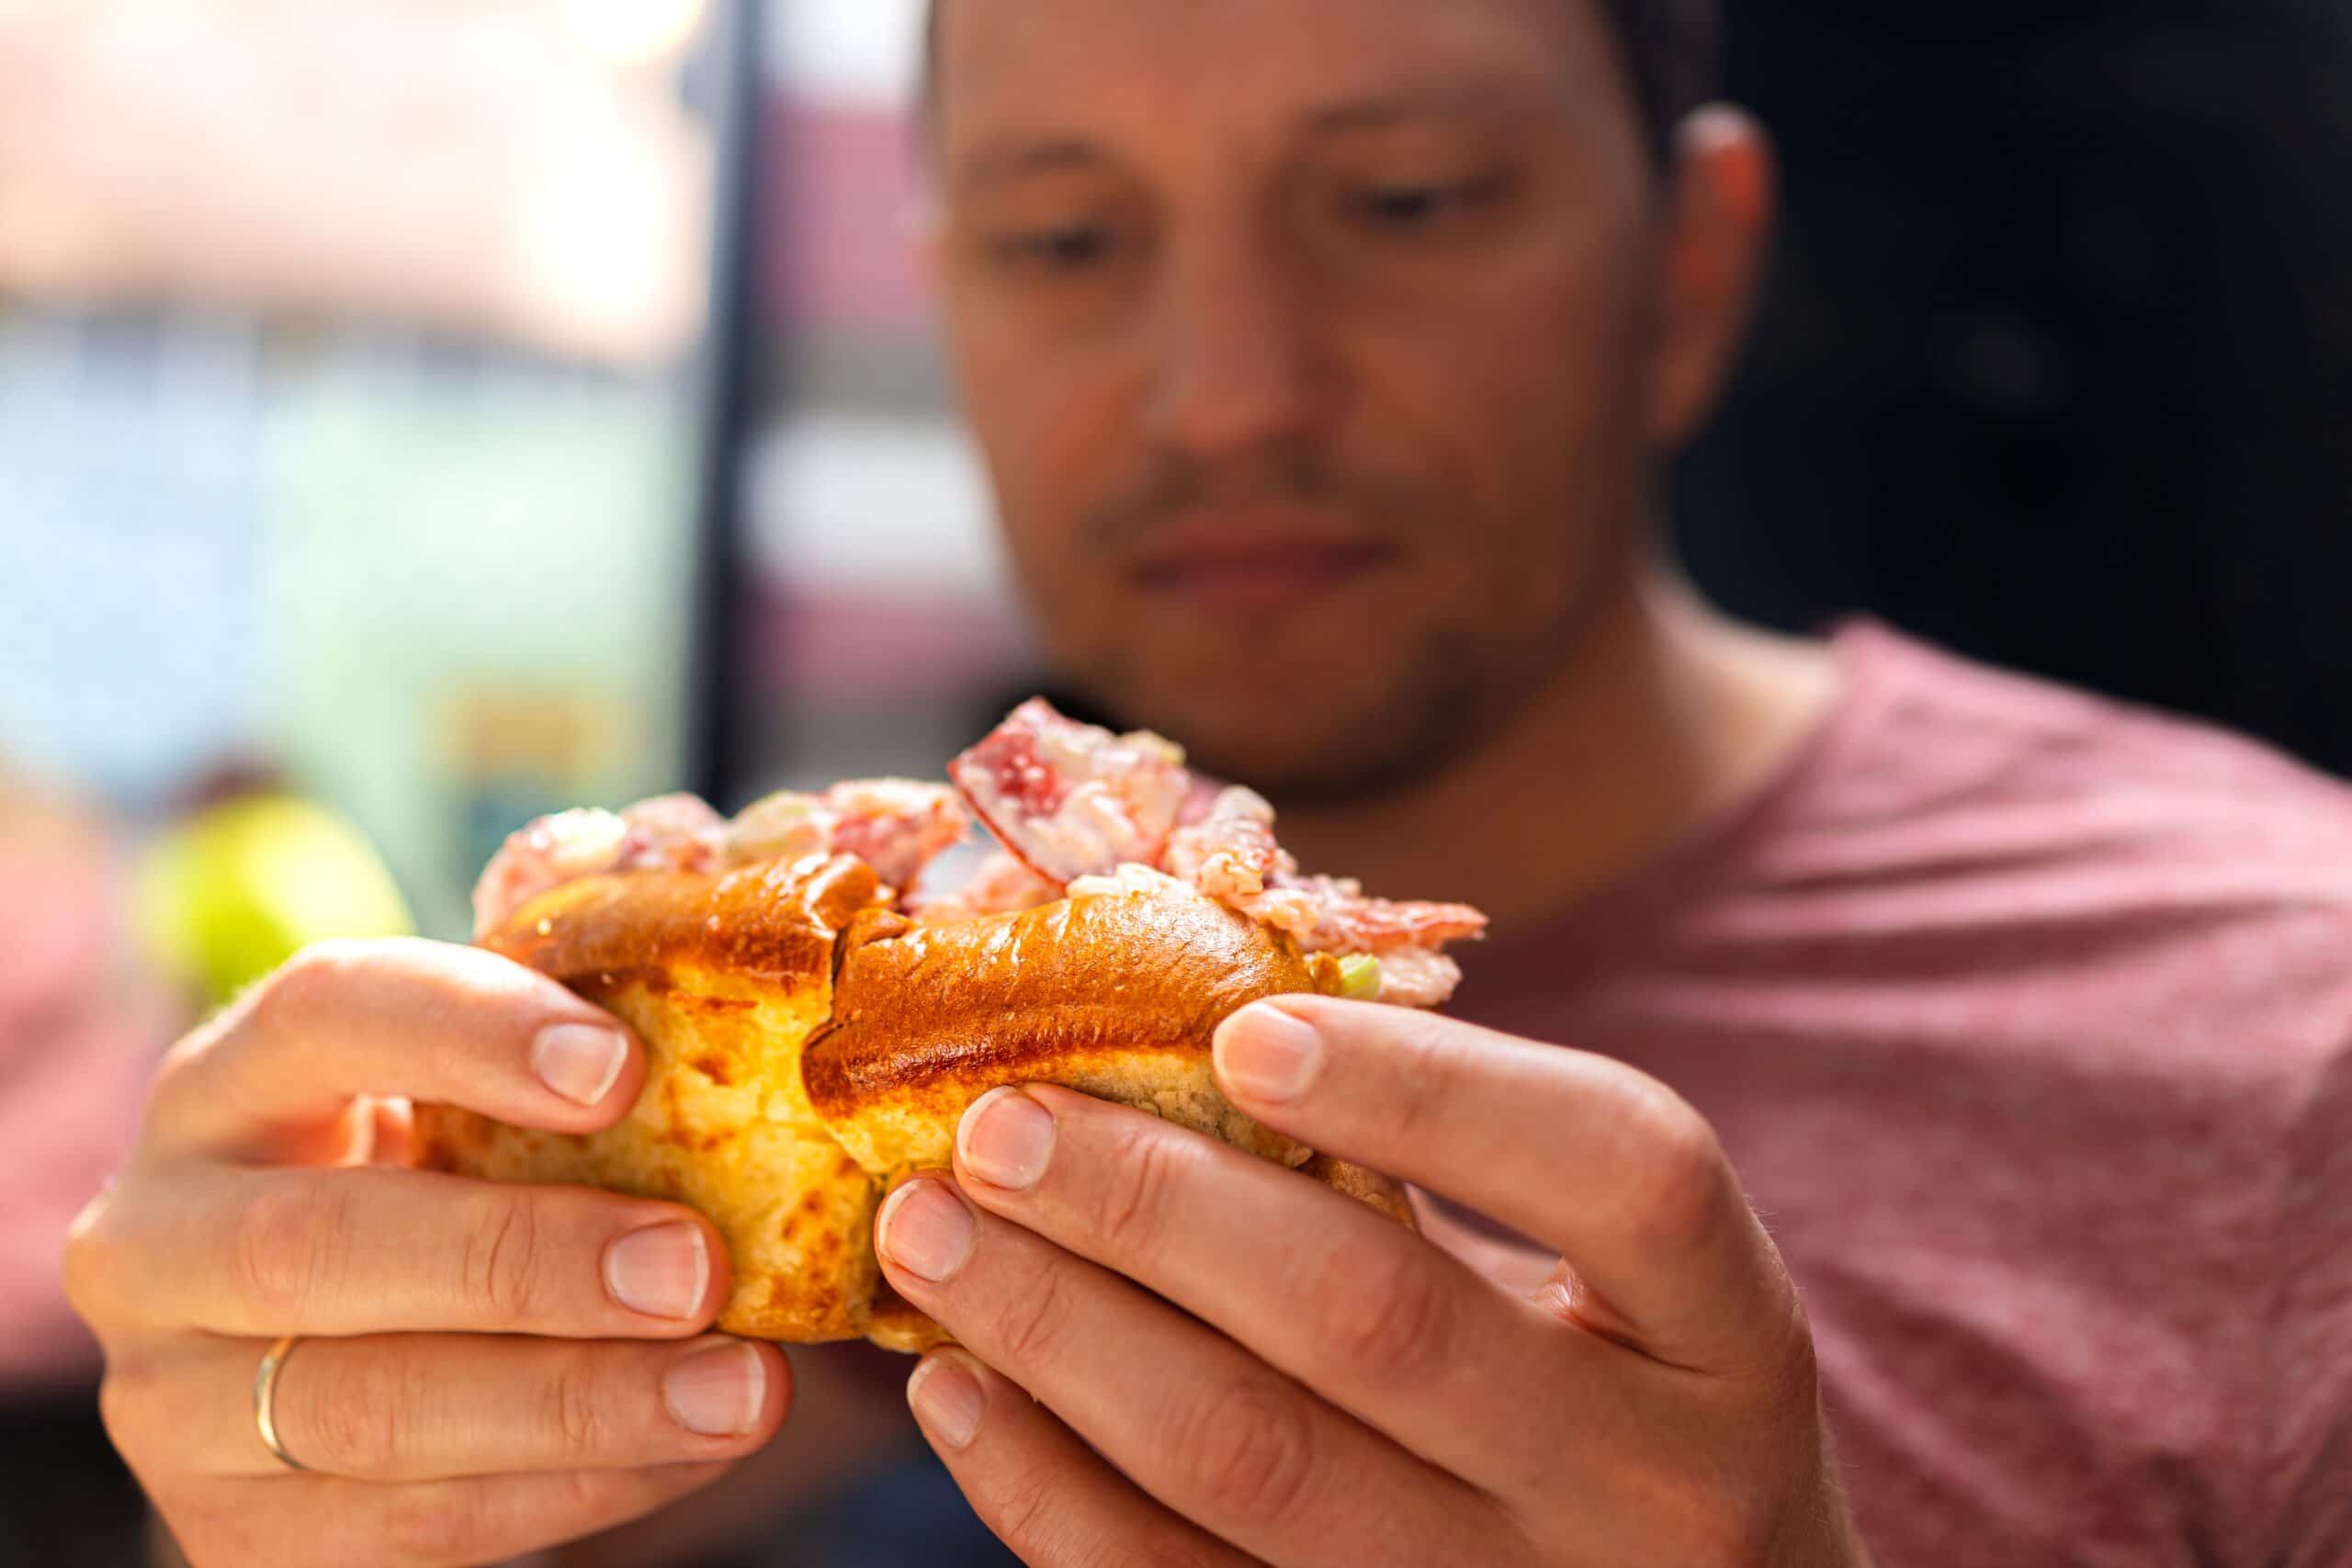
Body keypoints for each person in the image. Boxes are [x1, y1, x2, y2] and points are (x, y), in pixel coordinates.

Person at [63, 1, 2352, 1563]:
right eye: (1068, 238)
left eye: (1406, 201)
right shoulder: (751, 1035)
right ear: (948, 294)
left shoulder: (2282, 1036)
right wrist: (271, 1467)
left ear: (1687, 268)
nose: (1224, 387)